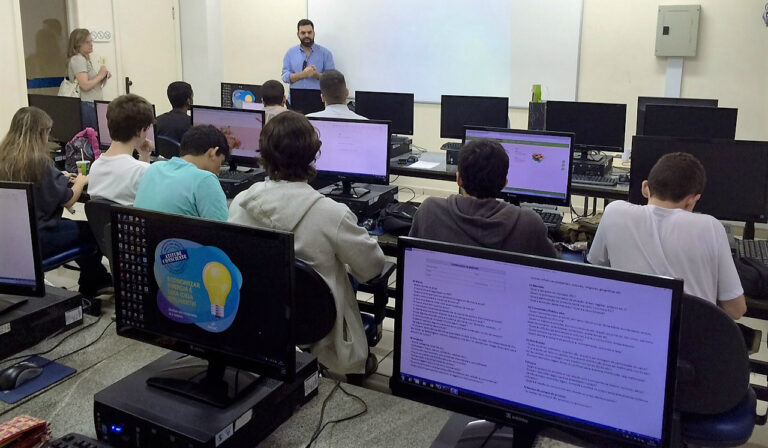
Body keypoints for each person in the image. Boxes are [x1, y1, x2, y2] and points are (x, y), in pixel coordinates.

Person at [228, 111, 385, 377]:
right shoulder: (332, 214)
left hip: (262, 321)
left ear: (264, 154)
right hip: (319, 330)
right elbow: (371, 268)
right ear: (313, 155)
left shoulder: (240, 204)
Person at [587, 152, 745, 320]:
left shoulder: (614, 212)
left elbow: (596, 267)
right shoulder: (711, 226)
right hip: (692, 341)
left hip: (631, 332)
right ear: (692, 200)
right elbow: (736, 310)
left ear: (645, 188)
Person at [0, 107, 112, 297]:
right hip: (41, 237)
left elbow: (41, 184)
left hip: (15, 238)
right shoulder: (38, 162)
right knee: (94, 230)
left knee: (74, 226)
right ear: (40, 133)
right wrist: (82, 181)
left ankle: (97, 279)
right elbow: (69, 200)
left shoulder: (5, 159)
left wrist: (59, 176)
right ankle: (91, 284)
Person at [409, 138, 558, 258]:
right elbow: (555, 268)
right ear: (504, 183)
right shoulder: (528, 222)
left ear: (459, 179)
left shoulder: (429, 210)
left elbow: (412, 259)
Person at [134, 125, 229, 221]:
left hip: (147, 235)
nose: (218, 172)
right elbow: (223, 232)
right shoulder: (205, 179)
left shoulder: (153, 168)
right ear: (212, 153)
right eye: (220, 162)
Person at [87, 94, 154, 205]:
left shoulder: (95, 167)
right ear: (140, 131)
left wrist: (144, 155)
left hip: (103, 223)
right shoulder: (144, 171)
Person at [66, 28, 110, 129]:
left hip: (91, 103)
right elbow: (85, 85)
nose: (91, 44)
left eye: (91, 41)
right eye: (87, 42)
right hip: (87, 104)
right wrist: (100, 75)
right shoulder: (78, 59)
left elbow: (90, 81)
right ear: (77, 44)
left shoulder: (84, 59)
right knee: (92, 138)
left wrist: (102, 76)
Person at [281, 19, 334, 91]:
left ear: (314, 33)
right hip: (295, 98)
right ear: (298, 34)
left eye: (309, 32)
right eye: (303, 33)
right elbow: (285, 77)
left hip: (318, 98)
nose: (307, 35)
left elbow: (331, 79)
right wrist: (303, 74)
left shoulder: (326, 53)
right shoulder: (290, 53)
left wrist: (315, 74)